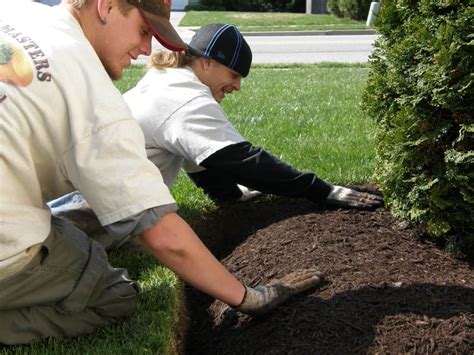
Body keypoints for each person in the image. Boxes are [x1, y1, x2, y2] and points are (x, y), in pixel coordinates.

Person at [0, 1, 323, 345]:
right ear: (107, 6)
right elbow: (164, 236)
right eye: (143, 31)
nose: (145, 50)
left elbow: (202, 167)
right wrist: (250, 297)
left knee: (69, 235)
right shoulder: (96, 100)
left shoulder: (17, 11)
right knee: (114, 293)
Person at [123, 23, 384, 208]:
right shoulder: (186, 99)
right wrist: (319, 189)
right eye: (233, 75)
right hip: (103, 216)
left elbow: (200, 155)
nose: (237, 87)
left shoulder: (166, 79)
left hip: (99, 198)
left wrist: (229, 195)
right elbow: (243, 161)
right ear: (206, 62)